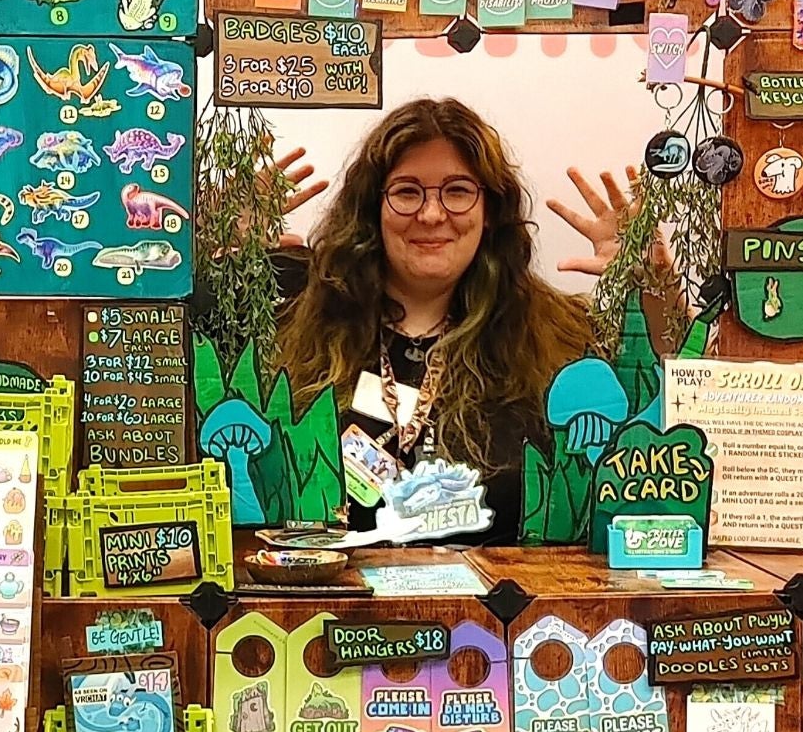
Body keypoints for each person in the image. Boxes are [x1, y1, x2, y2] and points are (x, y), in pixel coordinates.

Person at [272, 96, 665, 544]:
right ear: (371, 209)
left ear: (491, 211)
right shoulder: (300, 327)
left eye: (458, 191)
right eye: (406, 192)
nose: (433, 214)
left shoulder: (564, 336)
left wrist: (652, 292)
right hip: (334, 607)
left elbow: (662, 408)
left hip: (509, 610)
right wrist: (216, 255)